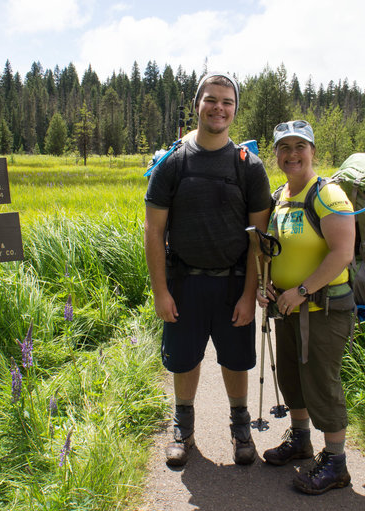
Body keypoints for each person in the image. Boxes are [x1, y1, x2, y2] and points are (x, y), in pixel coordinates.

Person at [144, 73, 271, 467]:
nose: (219, 107)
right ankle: (182, 428)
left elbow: (258, 239)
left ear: (235, 109)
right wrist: (160, 291)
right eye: (211, 99)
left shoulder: (249, 167)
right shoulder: (172, 164)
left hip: (234, 284)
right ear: (197, 104)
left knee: (236, 361)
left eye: (227, 102)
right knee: (183, 360)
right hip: (183, 283)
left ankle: (240, 426)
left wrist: (250, 295)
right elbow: (154, 230)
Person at [257, 119, 356, 494]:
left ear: (313, 151)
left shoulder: (328, 194)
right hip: (288, 307)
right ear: (277, 155)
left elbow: (342, 253)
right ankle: (300, 440)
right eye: (284, 148)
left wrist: (301, 289)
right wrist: (270, 285)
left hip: (323, 309)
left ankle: (336, 463)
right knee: (292, 379)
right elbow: (276, 251)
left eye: (300, 147)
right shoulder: (280, 196)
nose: (292, 154)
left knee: (321, 383)